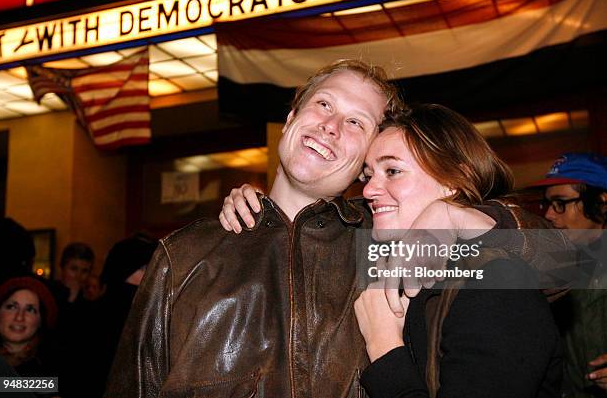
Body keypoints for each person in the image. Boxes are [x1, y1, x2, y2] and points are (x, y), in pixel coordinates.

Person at [221, 104, 571, 397]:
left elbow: (573, 260)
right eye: (368, 174)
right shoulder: (379, 251)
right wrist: (258, 209)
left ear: (453, 179)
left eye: (393, 170)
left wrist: (384, 346)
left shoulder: (493, 281)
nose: (372, 189)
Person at [104, 59, 402, 397]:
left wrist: (453, 216)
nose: (331, 126)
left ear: (367, 162)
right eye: (323, 104)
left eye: (354, 122)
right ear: (290, 119)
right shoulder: (183, 254)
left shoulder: (388, 246)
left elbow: (475, 260)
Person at [528, 153, 607, 398]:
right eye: (548, 204)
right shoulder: (555, 265)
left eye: (561, 202)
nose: (550, 215)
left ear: (602, 202)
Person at [0, 277, 59, 386]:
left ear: (40, 322)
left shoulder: (50, 368)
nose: (19, 317)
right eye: (11, 307)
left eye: (30, 310)